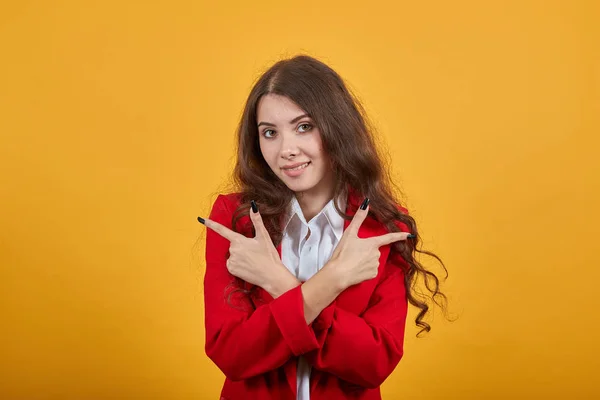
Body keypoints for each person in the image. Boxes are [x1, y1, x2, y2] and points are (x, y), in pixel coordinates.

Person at [197, 55, 448, 400]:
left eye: (304, 127)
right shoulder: (237, 219)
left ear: (335, 127)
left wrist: (277, 282)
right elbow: (232, 353)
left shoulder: (382, 226)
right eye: (270, 133)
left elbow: (373, 363)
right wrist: (330, 282)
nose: (286, 150)